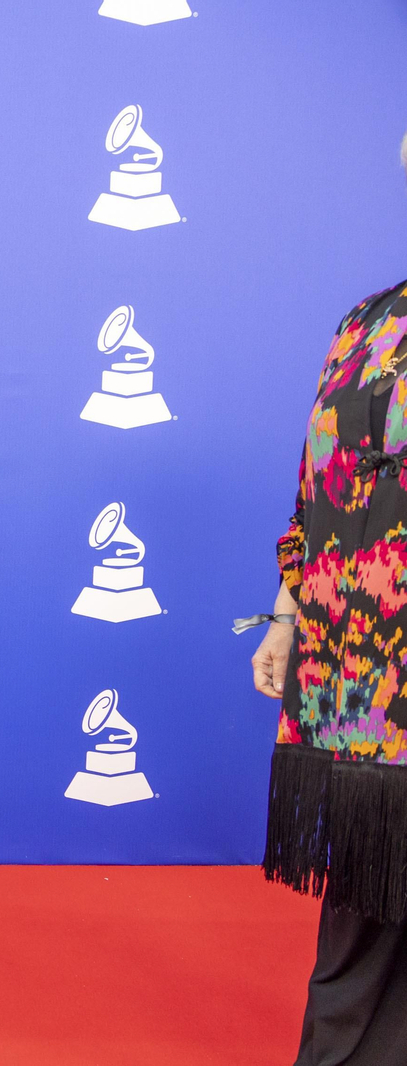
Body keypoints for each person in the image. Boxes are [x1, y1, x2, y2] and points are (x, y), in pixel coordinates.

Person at [249, 131, 407, 1066]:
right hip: (362, 673)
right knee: (365, 908)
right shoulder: (365, 324)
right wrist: (285, 614)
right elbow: (318, 489)